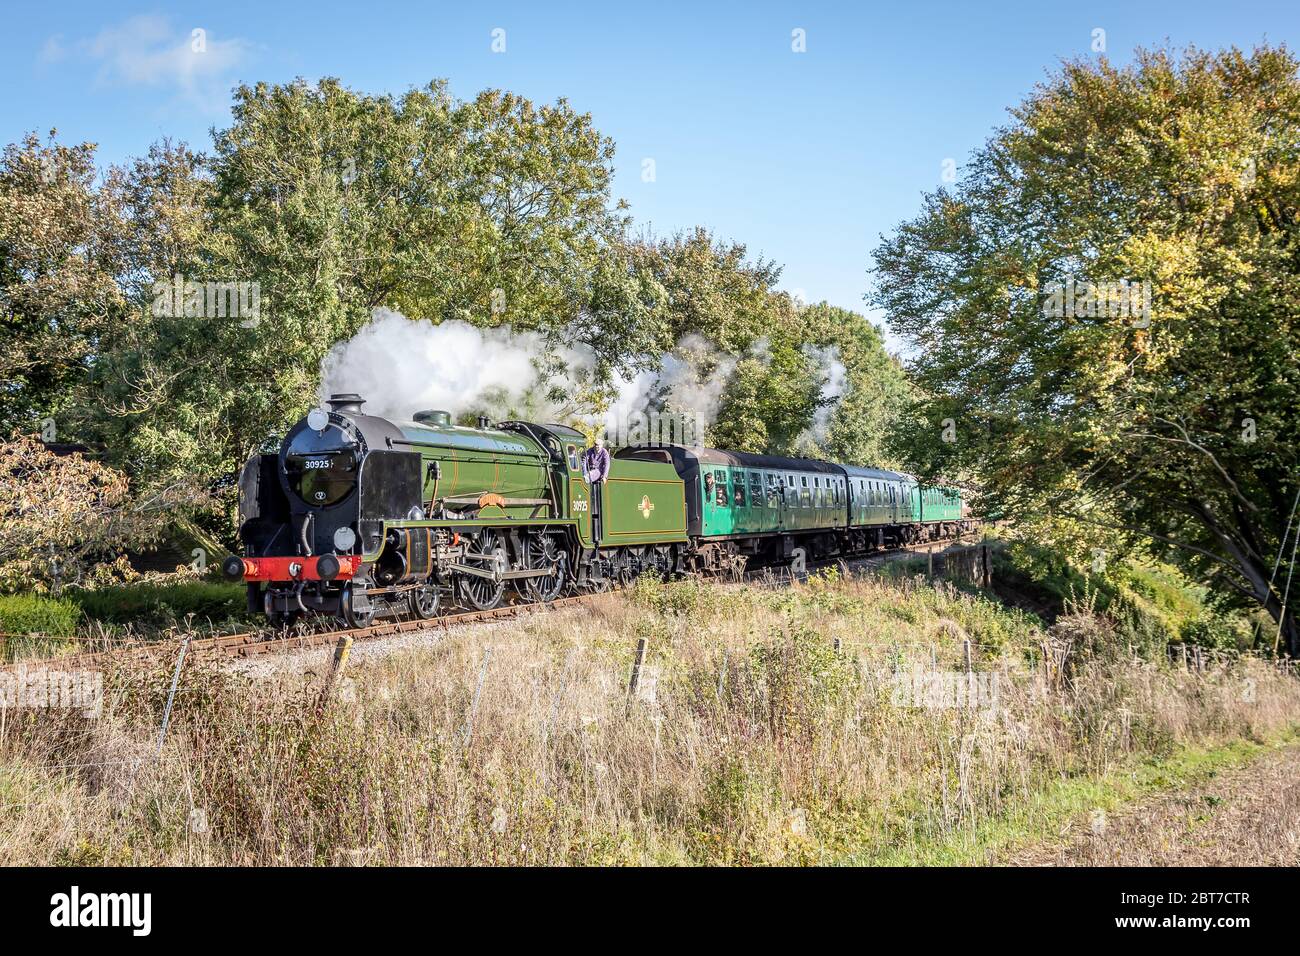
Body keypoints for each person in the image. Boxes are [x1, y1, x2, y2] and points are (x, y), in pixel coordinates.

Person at [581, 437, 611, 539]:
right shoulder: (589, 451)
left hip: (598, 471)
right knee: (586, 473)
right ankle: (585, 480)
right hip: (589, 471)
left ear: (602, 445)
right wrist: (584, 473)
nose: (597, 446)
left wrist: (605, 476)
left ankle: (586, 479)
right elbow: (584, 461)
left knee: (593, 473)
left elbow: (607, 464)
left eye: (598, 445)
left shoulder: (605, 453)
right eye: (595, 445)